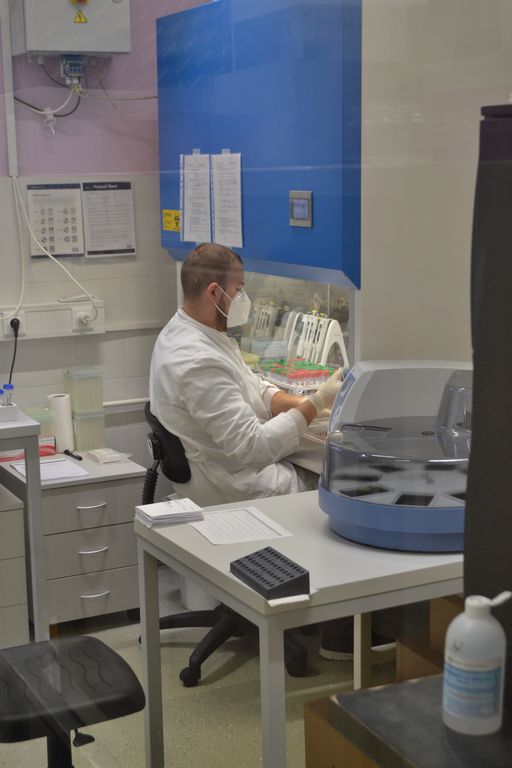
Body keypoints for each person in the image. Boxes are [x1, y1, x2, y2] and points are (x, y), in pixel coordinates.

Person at [149, 242, 343, 507]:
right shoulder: (196, 361)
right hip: (235, 487)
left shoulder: (189, 330)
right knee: (335, 481)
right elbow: (254, 447)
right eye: (239, 289)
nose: (244, 298)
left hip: (229, 468)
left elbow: (252, 385)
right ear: (214, 292)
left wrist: (303, 403)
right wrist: (316, 403)